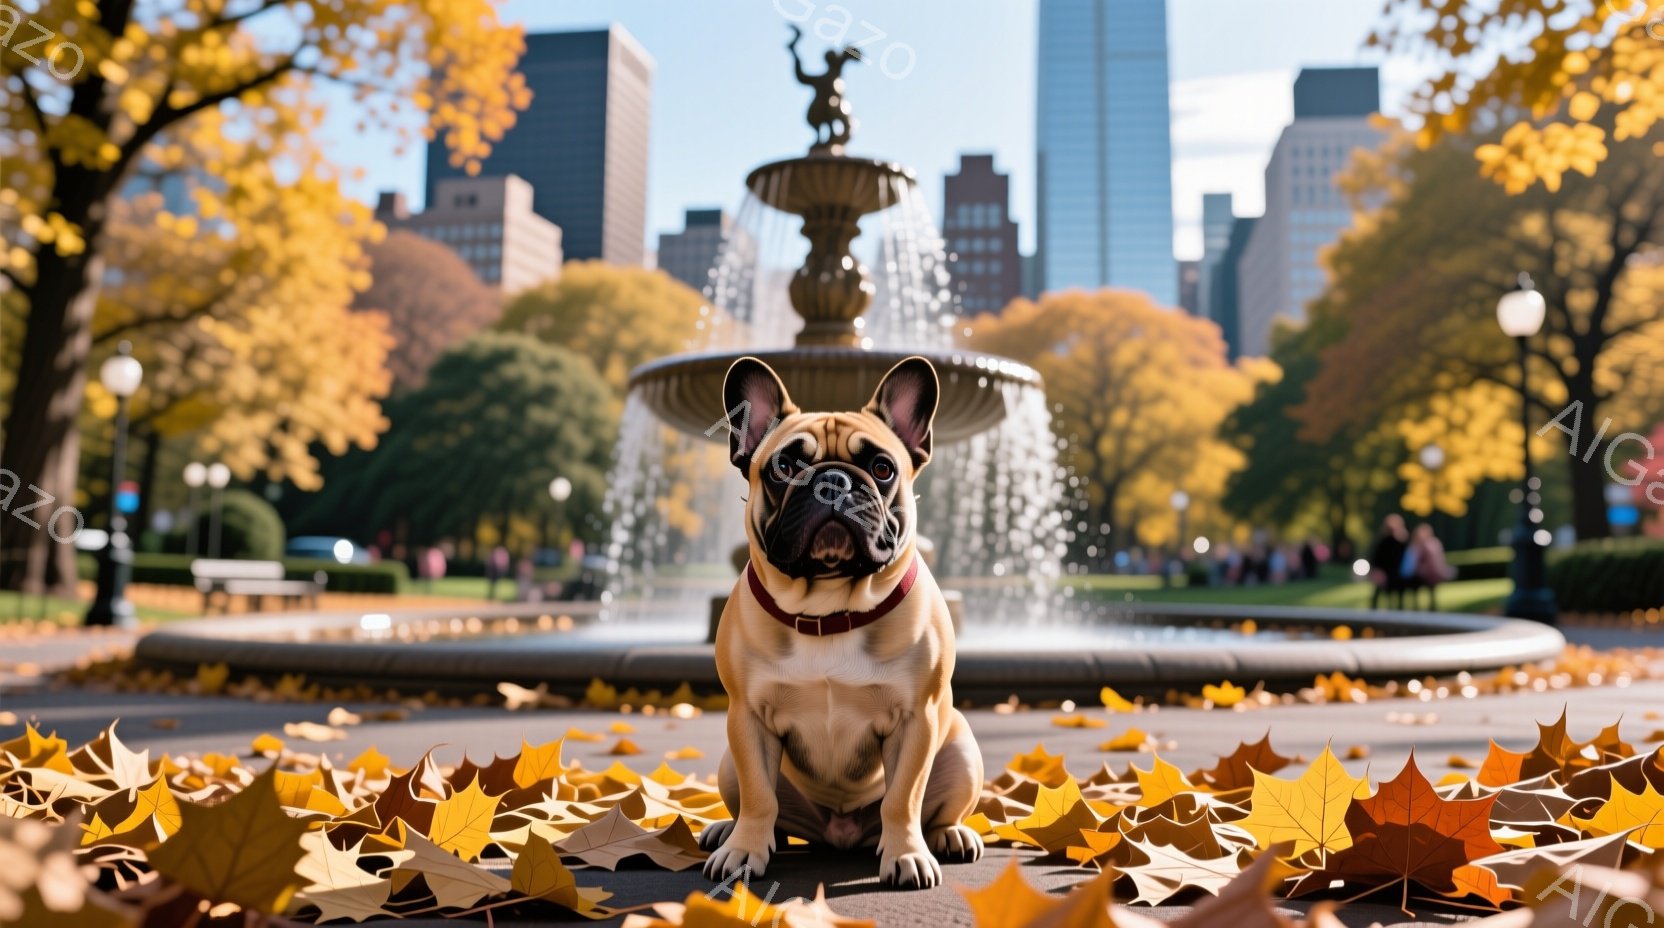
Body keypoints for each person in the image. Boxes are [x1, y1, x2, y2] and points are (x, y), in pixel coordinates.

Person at [1407, 523, 1455, 610]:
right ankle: (1428, 608)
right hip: (1426, 574)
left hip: (1428, 574)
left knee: (1428, 592)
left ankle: (1428, 608)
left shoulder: (1425, 545)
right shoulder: (1430, 544)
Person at [1368, 514, 1409, 609]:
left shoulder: (1402, 541)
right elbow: (1375, 558)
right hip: (1384, 572)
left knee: (1398, 591)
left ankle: (1398, 610)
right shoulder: (1382, 541)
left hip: (1397, 573)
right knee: (1378, 591)